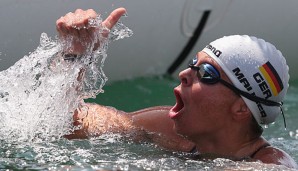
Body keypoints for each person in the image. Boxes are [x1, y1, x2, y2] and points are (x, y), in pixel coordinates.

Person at [56, 8, 298, 168]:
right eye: (193, 64)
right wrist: (75, 56)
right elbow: (70, 122)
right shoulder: (168, 130)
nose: (184, 74)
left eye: (206, 74)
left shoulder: (271, 165)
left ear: (241, 109)